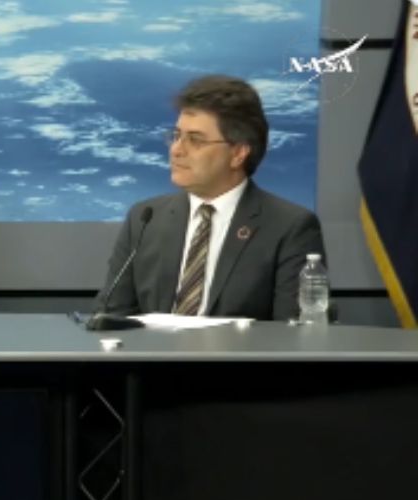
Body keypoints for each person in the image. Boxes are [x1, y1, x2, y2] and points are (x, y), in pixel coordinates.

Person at [95, 75, 325, 321]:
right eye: (176, 135)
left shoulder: (290, 227)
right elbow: (112, 316)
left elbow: (294, 332)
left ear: (238, 153)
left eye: (195, 140)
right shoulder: (145, 219)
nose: (176, 149)